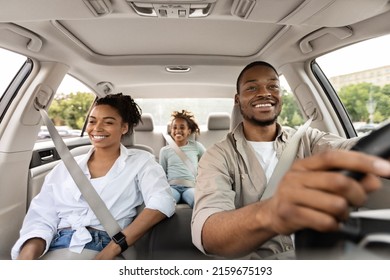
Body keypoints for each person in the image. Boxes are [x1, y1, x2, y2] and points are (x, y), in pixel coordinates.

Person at [191, 61, 390, 259]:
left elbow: (351, 149)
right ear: (238, 99)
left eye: (273, 86)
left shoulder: (307, 139)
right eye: (252, 87)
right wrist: (272, 212)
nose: (264, 93)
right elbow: (209, 234)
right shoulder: (217, 156)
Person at [12, 93, 175, 260]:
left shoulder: (142, 162)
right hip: (55, 246)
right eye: (92, 121)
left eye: (109, 122)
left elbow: (162, 201)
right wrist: (26, 258)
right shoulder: (65, 167)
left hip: (106, 246)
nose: (97, 128)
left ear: (124, 127)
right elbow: (41, 218)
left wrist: (113, 249)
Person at [159, 110, 206, 208]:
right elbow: (162, 174)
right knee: (165, 203)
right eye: (174, 127)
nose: (178, 130)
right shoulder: (165, 151)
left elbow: (207, 165)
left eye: (182, 127)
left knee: (198, 201)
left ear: (189, 131)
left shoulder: (197, 147)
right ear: (171, 131)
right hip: (172, 187)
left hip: (190, 187)